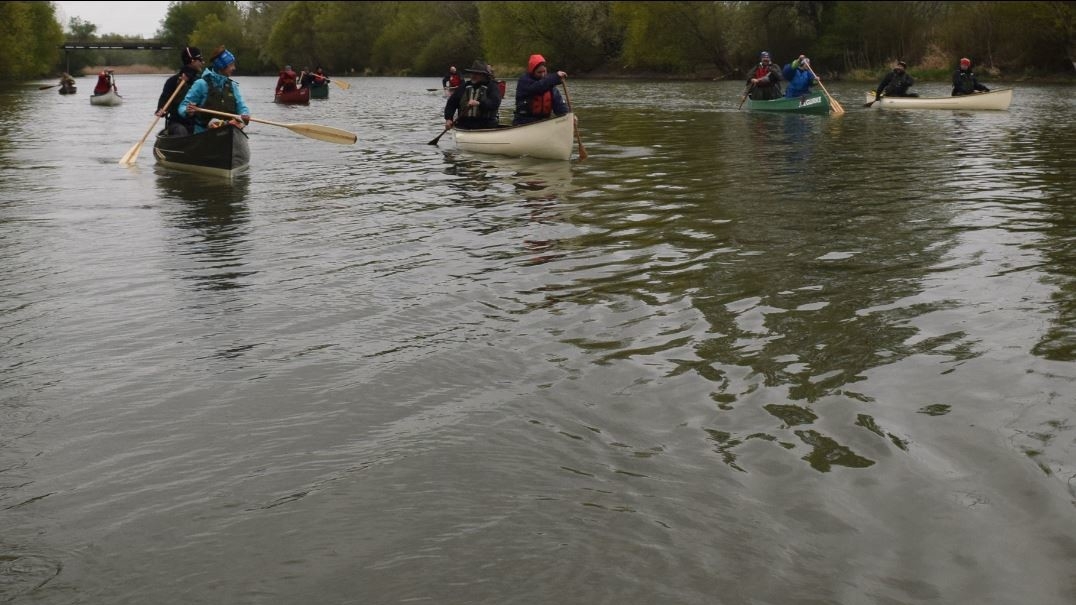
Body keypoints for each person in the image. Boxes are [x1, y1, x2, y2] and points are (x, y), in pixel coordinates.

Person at [178, 46, 250, 134]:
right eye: (231, 65)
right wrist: (188, 110)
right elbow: (182, 107)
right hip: (204, 133)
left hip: (229, 130)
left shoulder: (233, 86)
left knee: (235, 124)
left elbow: (242, 107)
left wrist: (245, 114)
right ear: (221, 66)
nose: (234, 68)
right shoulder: (201, 84)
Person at [156, 46, 204, 136]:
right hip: (176, 123)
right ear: (192, 60)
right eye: (200, 59)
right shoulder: (172, 81)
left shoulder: (201, 82)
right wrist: (161, 110)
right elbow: (163, 103)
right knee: (181, 131)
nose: (202, 62)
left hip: (197, 123)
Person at [512, 54, 570, 126]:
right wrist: (556, 77)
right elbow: (537, 88)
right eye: (539, 72)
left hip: (543, 122)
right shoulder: (524, 81)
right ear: (532, 72)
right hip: (523, 122)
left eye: (544, 71)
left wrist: (568, 117)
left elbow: (560, 105)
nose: (542, 75)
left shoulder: (549, 85)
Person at [443, 59, 502, 130]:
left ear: (484, 75)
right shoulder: (464, 87)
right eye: (472, 73)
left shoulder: (492, 87)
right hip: (464, 125)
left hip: (486, 125)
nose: (473, 75)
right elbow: (451, 103)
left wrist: (479, 103)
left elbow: (495, 103)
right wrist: (448, 119)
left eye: (477, 73)